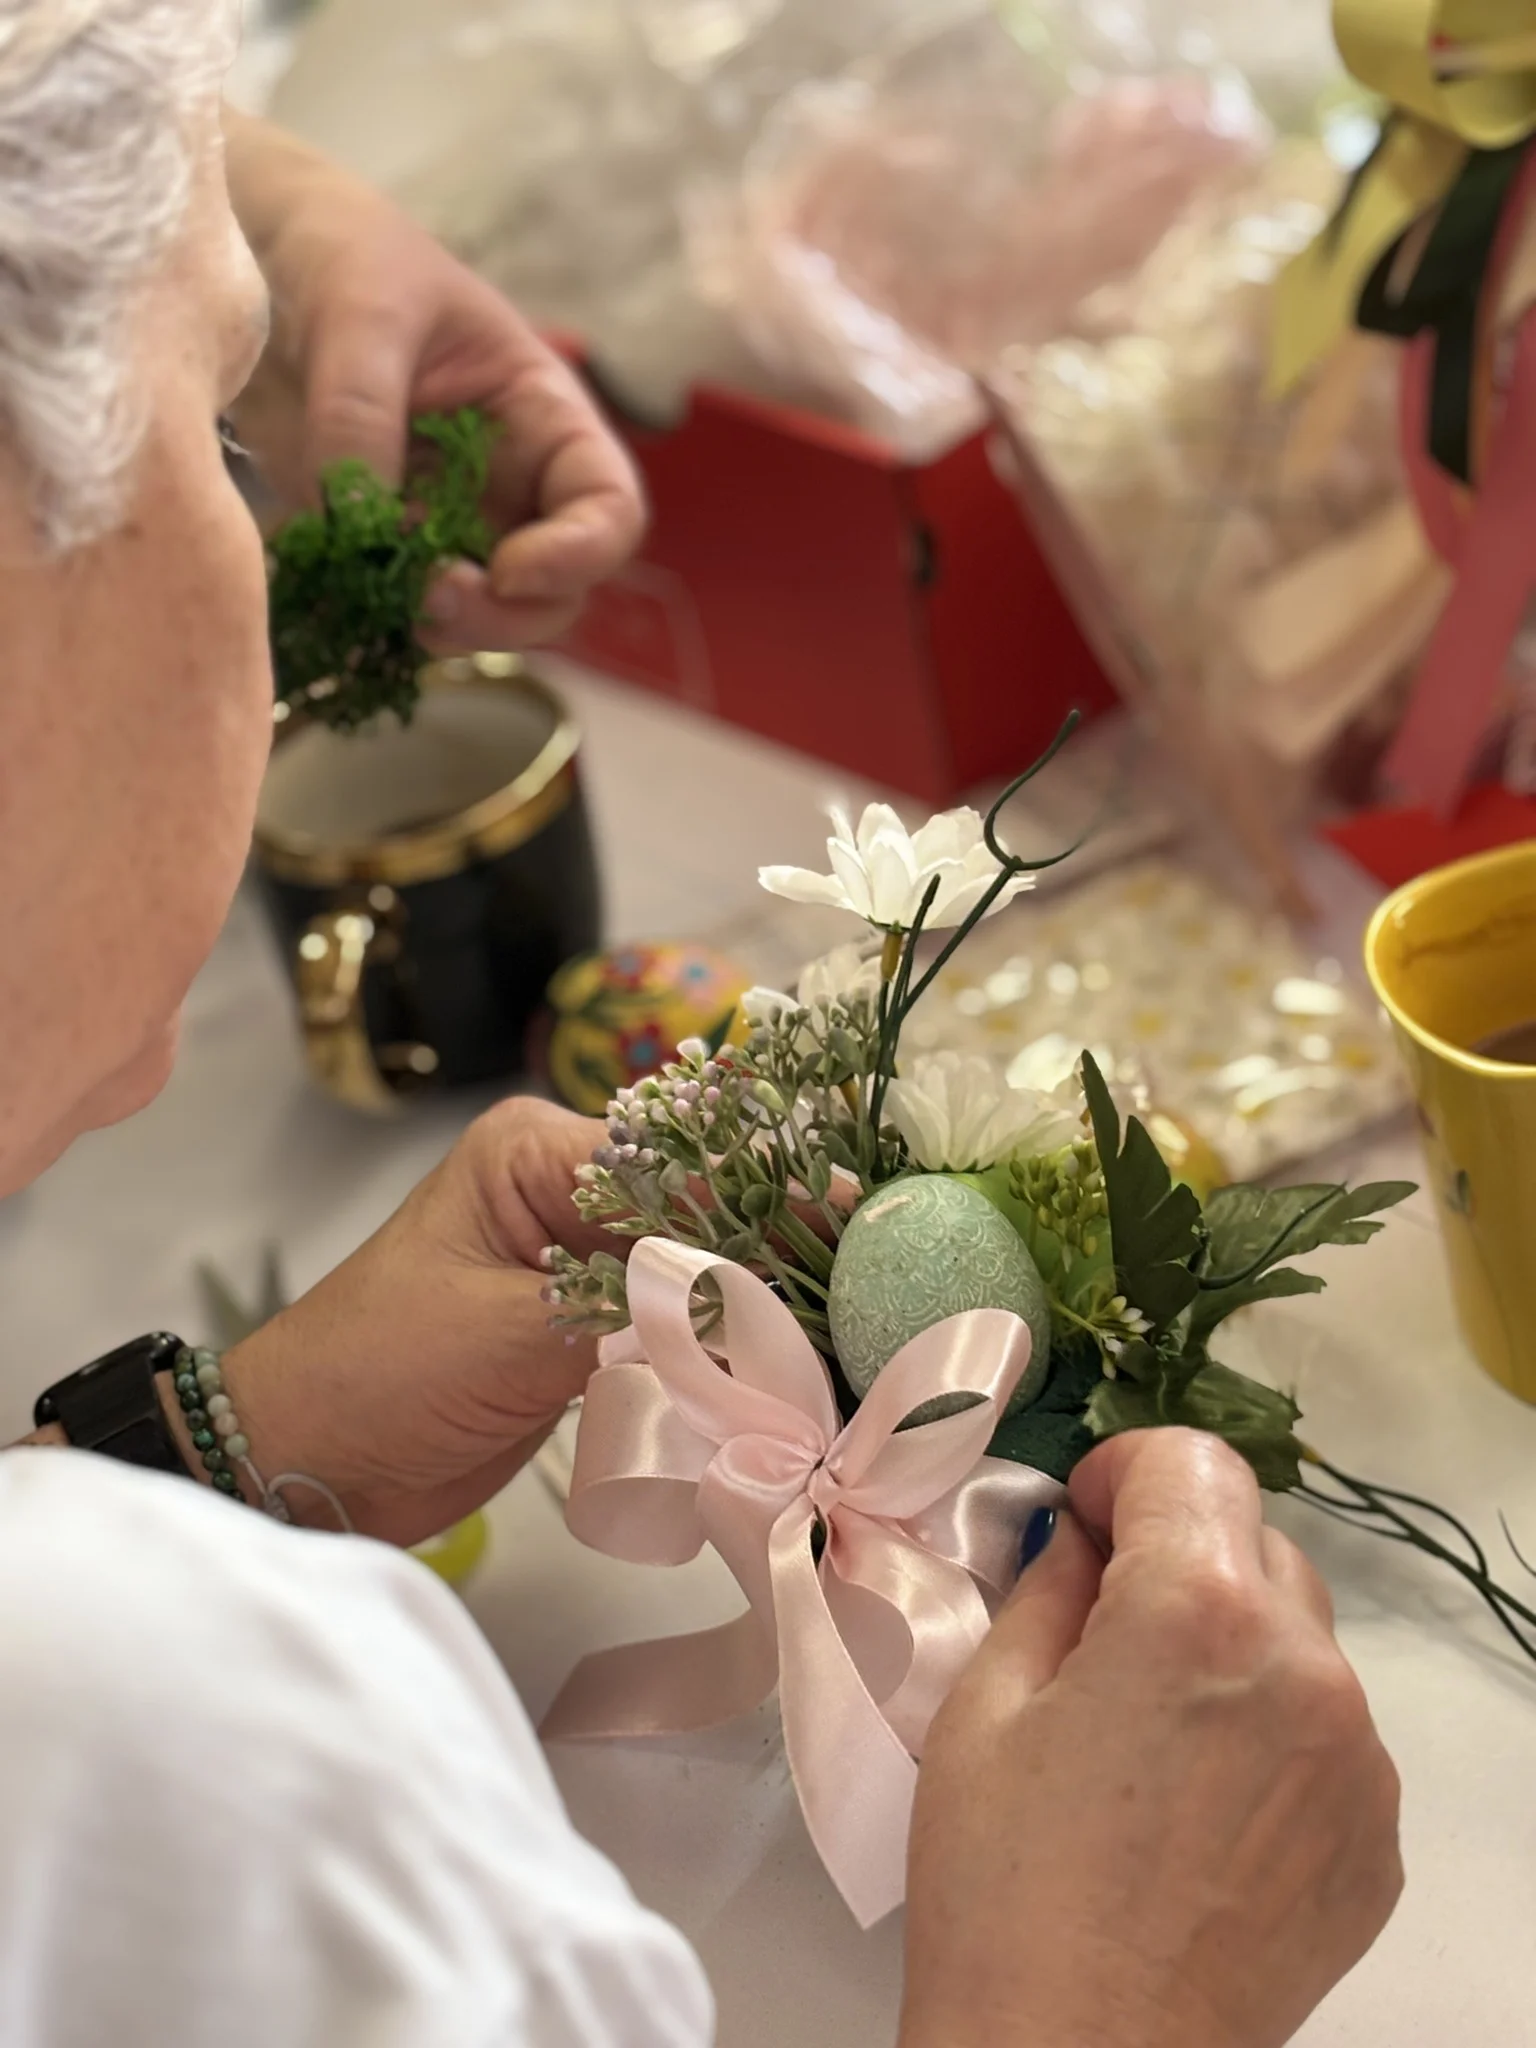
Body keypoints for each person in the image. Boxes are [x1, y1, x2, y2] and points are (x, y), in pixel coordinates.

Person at [0, 5, 1403, 2044]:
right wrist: (1104, 2001)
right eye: (224, 419)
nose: (299, 531)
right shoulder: (171, 1741)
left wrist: (214, 1457)